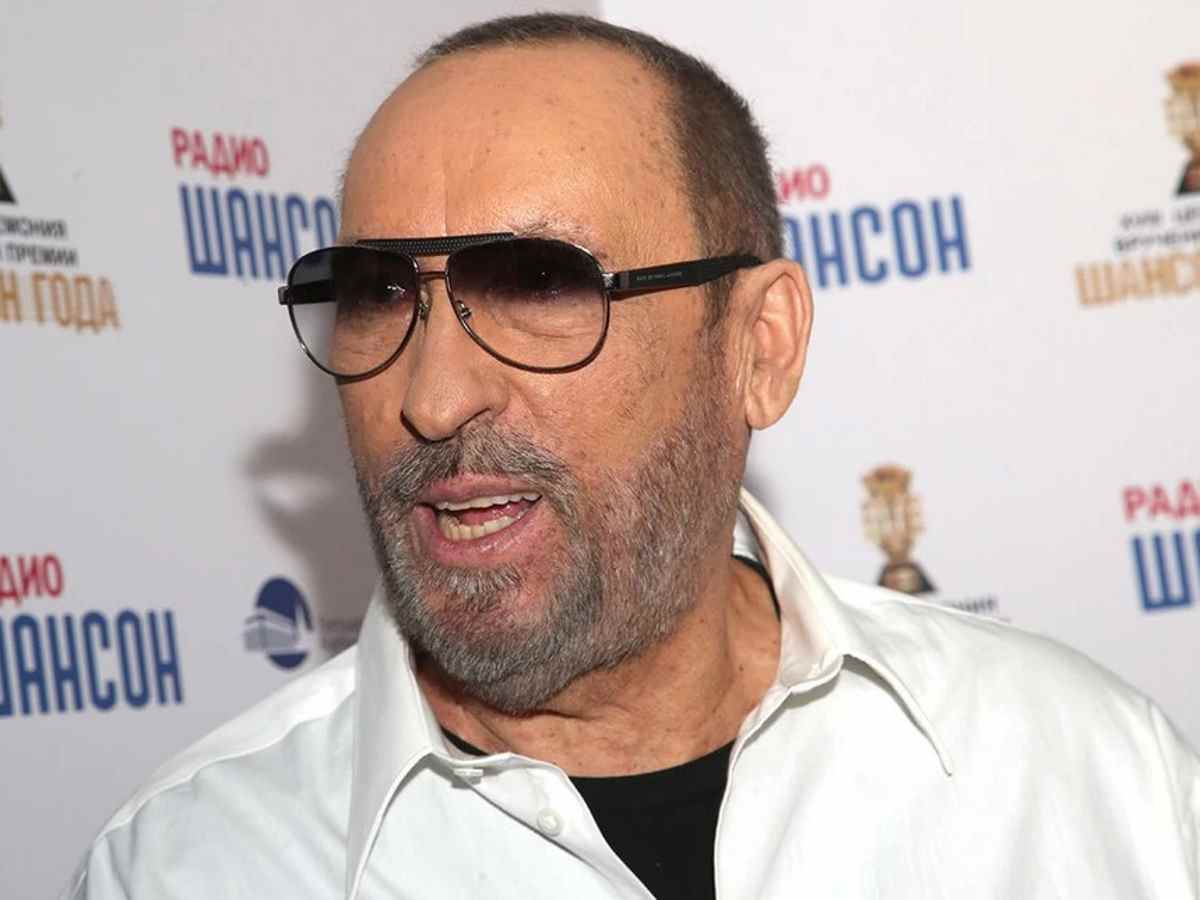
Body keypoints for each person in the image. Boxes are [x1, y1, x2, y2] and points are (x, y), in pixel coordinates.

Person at [65, 13, 1199, 900]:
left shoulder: (1088, 774)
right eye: (376, 294)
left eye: (541, 284)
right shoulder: (186, 865)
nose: (432, 397)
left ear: (758, 348)